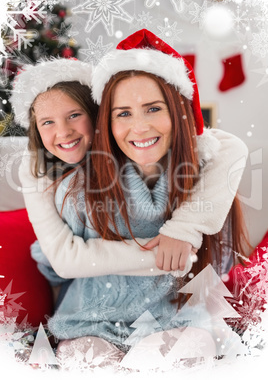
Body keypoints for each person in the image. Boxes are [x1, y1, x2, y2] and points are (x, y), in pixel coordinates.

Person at [16, 30, 249, 365]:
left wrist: (183, 231)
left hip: (175, 318)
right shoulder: (65, 190)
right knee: (89, 362)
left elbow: (231, 148)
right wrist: (164, 256)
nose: (139, 127)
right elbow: (61, 264)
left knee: (181, 352)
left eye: (153, 108)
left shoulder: (203, 180)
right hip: (90, 322)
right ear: (108, 121)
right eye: (124, 113)